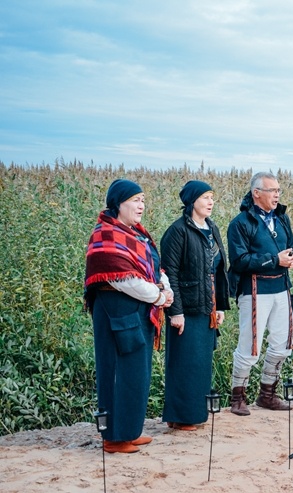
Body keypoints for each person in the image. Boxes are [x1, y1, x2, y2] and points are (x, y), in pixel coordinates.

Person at [84, 179, 174, 453]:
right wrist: (160, 297)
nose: (141, 205)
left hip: (138, 314)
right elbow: (124, 279)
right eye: (135, 200)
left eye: (143, 200)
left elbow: (155, 268)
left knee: (137, 373)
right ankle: (114, 437)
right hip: (116, 316)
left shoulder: (137, 235)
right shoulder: (105, 235)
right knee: (116, 374)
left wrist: (165, 289)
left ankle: (130, 431)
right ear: (117, 203)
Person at [227, 171, 293, 416]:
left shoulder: (281, 218)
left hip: (282, 288)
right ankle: (238, 397)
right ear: (257, 193)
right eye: (272, 190)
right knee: (250, 345)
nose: (277, 194)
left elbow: (290, 244)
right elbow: (239, 260)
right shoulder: (240, 223)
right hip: (254, 289)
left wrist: (291, 258)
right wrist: (274, 260)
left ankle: (267, 394)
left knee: (282, 343)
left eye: (279, 190)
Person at [160, 180, 230, 431]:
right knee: (183, 362)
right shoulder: (178, 231)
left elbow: (220, 270)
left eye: (212, 197)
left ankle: (194, 414)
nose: (210, 202)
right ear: (191, 202)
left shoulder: (212, 228)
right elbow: (169, 273)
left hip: (206, 305)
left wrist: (220, 306)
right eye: (205, 197)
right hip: (186, 308)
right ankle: (179, 417)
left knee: (200, 362)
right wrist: (175, 310)